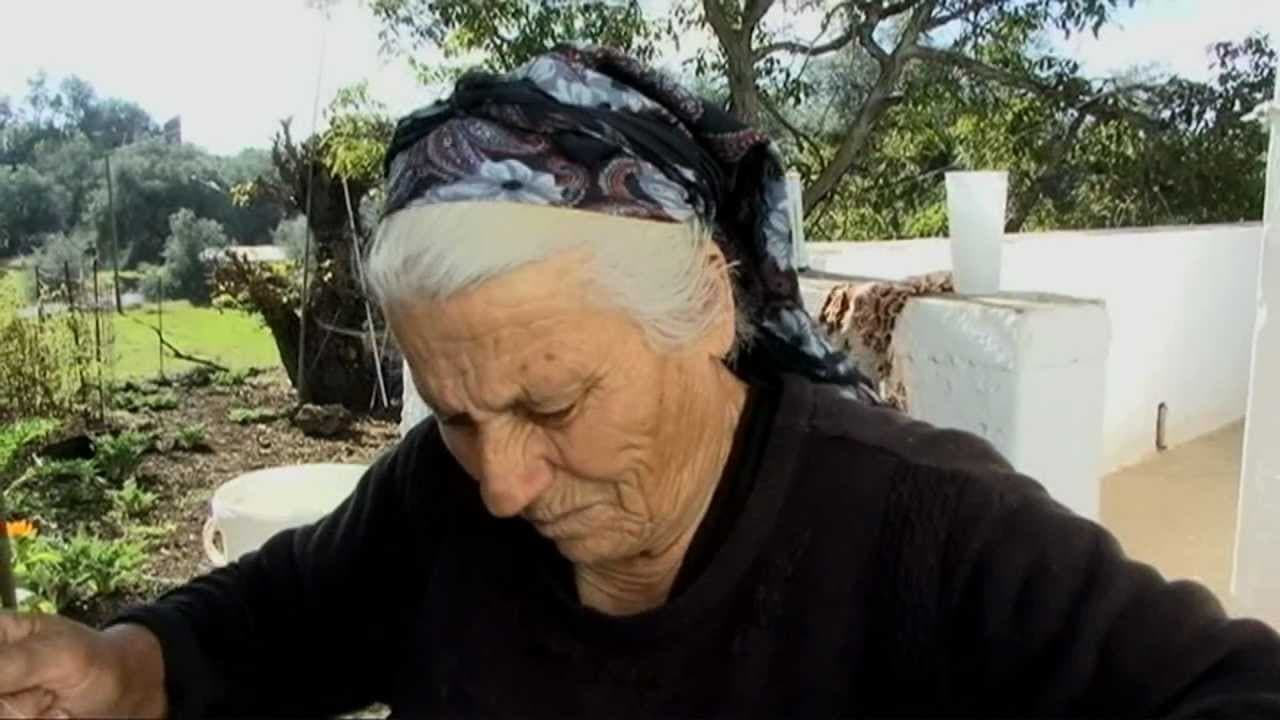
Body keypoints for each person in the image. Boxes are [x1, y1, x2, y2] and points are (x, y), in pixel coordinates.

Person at [1, 46, 1278, 719]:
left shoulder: (922, 528)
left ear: (705, 309)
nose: (500, 483)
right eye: (455, 416)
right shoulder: (434, 505)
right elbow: (273, 623)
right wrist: (124, 665)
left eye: (551, 408)